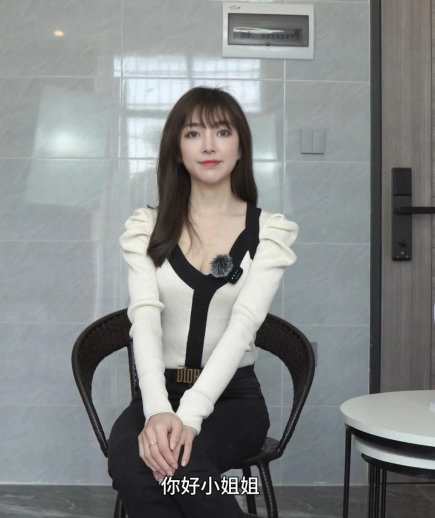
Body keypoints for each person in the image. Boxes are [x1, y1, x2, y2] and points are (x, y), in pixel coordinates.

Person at [107, 86, 299, 518]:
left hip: (234, 399)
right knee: (132, 464)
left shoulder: (269, 232)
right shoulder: (146, 226)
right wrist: (158, 411)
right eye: (193, 133)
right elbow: (144, 319)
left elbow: (243, 327)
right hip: (158, 392)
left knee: (183, 465)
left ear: (241, 147)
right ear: (177, 150)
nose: (209, 145)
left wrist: (190, 417)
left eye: (223, 132)